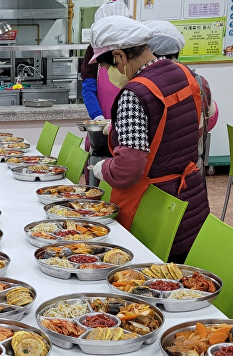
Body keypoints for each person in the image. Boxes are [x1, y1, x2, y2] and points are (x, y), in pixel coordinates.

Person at [90, 15, 210, 263]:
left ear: (120, 57)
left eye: (107, 67)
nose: (109, 74)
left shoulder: (134, 94)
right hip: (188, 199)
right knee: (172, 273)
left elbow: (127, 170)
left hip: (153, 205)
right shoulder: (182, 74)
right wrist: (118, 129)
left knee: (147, 278)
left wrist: (102, 168)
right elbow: (169, 132)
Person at [145, 20, 219, 180]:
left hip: (161, 176)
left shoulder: (148, 84)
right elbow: (211, 119)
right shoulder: (200, 81)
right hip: (193, 171)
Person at [80, 1, 131, 184]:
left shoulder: (133, 51)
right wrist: (98, 117)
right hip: (101, 132)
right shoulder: (93, 51)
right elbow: (88, 88)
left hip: (127, 133)